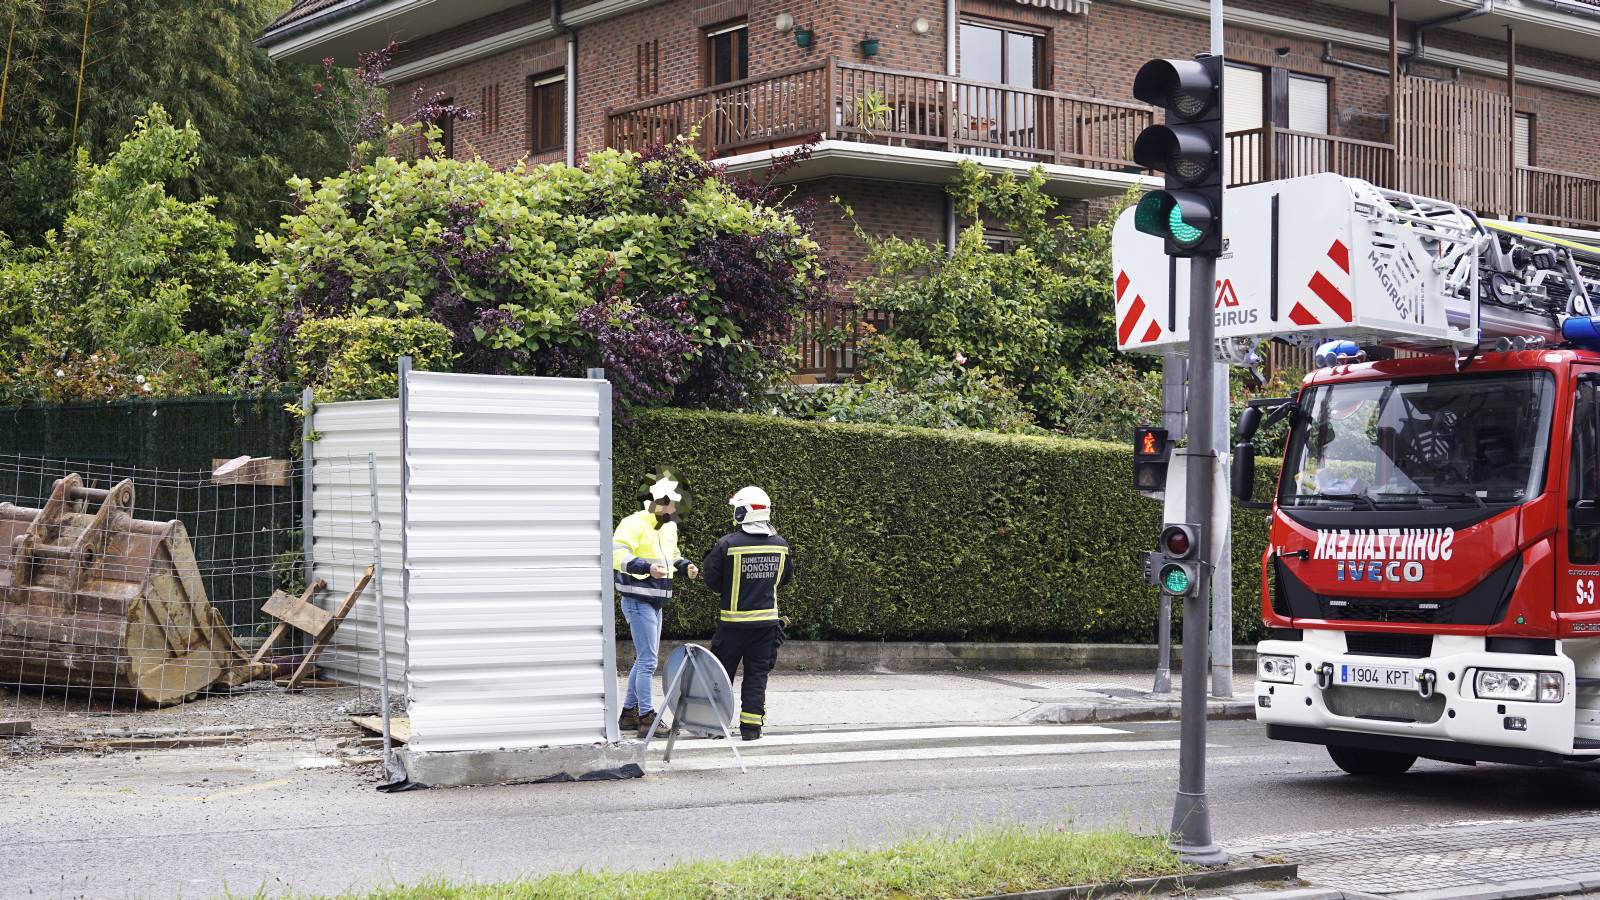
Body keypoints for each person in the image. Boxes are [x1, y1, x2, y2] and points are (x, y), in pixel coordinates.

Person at [701, 486, 793, 741]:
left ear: (743, 512)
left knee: (722, 676)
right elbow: (784, 579)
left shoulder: (727, 544)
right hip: (766, 626)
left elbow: (711, 579)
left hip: (732, 625)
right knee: (756, 676)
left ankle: (715, 727)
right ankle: (751, 729)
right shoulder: (781, 545)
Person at [614, 476, 697, 738]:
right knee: (648, 661)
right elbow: (616, 556)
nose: (676, 510)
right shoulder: (633, 523)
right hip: (637, 599)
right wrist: (647, 567)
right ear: (659, 503)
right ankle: (647, 718)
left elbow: (672, 557)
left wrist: (686, 567)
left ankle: (629, 714)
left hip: (655, 599)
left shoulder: (668, 527)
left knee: (644, 659)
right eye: (673, 504)